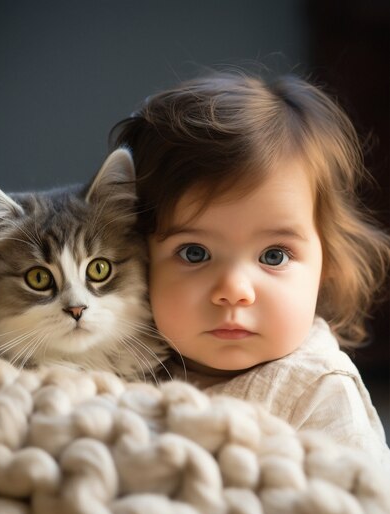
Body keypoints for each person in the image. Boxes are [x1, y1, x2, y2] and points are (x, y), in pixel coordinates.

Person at [110, 70, 390, 471]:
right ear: (141, 255)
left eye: (273, 256)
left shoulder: (317, 390)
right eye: (194, 252)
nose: (234, 291)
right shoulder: (127, 363)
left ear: (326, 262)